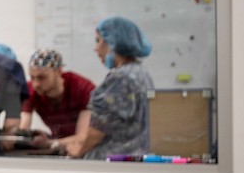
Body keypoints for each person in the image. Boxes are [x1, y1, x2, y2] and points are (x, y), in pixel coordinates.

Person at [62, 17, 154, 160]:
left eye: (98, 41)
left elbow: (98, 130)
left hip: (110, 162)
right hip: (134, 157)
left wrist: (77, 150)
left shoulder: (120, 78)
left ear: (113, 43)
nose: (96, 48)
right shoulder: (140, 72)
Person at [18, 48, 96, 150]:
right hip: (59, 142)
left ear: (59, 72)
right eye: (32, 77)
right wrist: (30, 135)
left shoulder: (82, 89)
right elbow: (23, 127)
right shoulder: (31, 91)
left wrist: (49, 143)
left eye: (42, 77)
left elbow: (83, 138)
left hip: (89, 148)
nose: (36, 84)